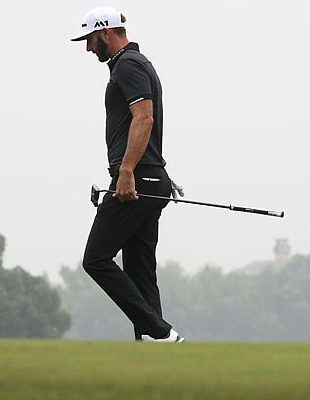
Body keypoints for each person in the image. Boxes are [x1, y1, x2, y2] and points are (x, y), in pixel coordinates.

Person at [71, 7, 184, 342]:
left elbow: (144, 118)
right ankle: (153, 342)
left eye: (90, 39)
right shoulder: (133, 63)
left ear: (106, 32)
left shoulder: (129, 65)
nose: (89, 48)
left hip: (138, 180)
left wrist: (126, 172)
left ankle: (160, 332)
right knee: (139, 269)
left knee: (96, 259)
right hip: (150, 178)